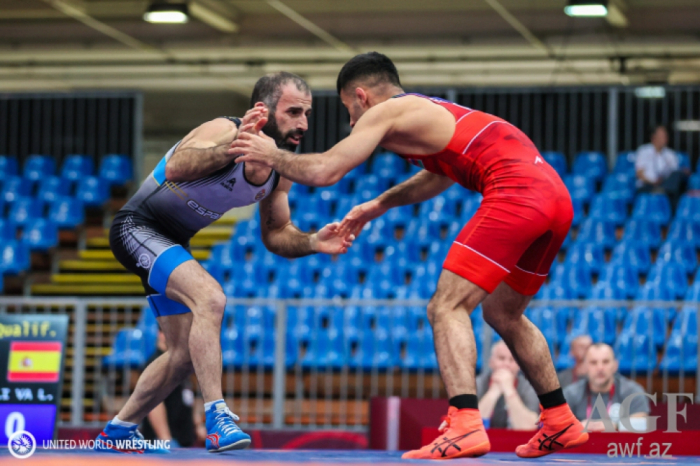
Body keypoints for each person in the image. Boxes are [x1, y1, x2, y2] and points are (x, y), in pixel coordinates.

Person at [231, 52, 587, 459]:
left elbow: (324, 171)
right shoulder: (428, 112)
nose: (352, 124)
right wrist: (378, 204)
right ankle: (560, 419)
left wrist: (268, 152)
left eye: (350, 111)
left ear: (361, 97)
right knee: (503, 314)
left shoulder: (388, 112)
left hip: (518, 193)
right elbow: (438, 175)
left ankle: (466, 422)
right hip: (555, 197)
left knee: (445, 307)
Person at [95, 72, 355, 454]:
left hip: (172, 241)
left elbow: (276, 234)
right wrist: (232, 148)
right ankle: (218, 416)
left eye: (307, 113)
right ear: (263, 112)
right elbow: (176, 167)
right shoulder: (224, 129)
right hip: (137, 226)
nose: (302, 123)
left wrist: (315, 241)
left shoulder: (281, 168)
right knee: (211, 298)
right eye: (294, 112)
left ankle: (119, 428)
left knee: (182, 355)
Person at [564, 343, 650, 432]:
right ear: (585, 367)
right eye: (593, 362)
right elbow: (559, 428)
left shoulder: (632, 391)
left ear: (615, 365)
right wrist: (577, 427)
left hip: (618, 445)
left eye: (605, 362)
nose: (600, 368)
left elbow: (642, 423)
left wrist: (616, 425)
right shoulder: (571, 393)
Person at [140, 329, 205, 448]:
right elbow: (153, 405)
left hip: (183, 441)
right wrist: (166, 439)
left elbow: (187, 396)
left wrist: (198, 426)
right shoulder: (156, 364)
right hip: (163, 444)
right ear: (161, 334)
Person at [476, 341, 539, 430]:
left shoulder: (529, 387)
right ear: (491, 362)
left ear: (518, 365)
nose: (506, 364)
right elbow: (470, 426)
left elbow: (529, 428)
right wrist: (493, 392)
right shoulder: (477, 384)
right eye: (501, 358)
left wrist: (509, 391)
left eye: (512, 360)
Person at [635, 124, 689, 209]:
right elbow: (640, 174)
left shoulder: (670, 154)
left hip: (665, 184)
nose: (664, 138)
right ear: (653, 137)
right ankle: (661, 191)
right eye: (661, 135)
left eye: (665, 135)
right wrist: (653, 182)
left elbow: (674, 174)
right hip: (648, 185)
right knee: (671, 193)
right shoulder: (643, 151)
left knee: (678, 175)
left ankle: (662, 190)